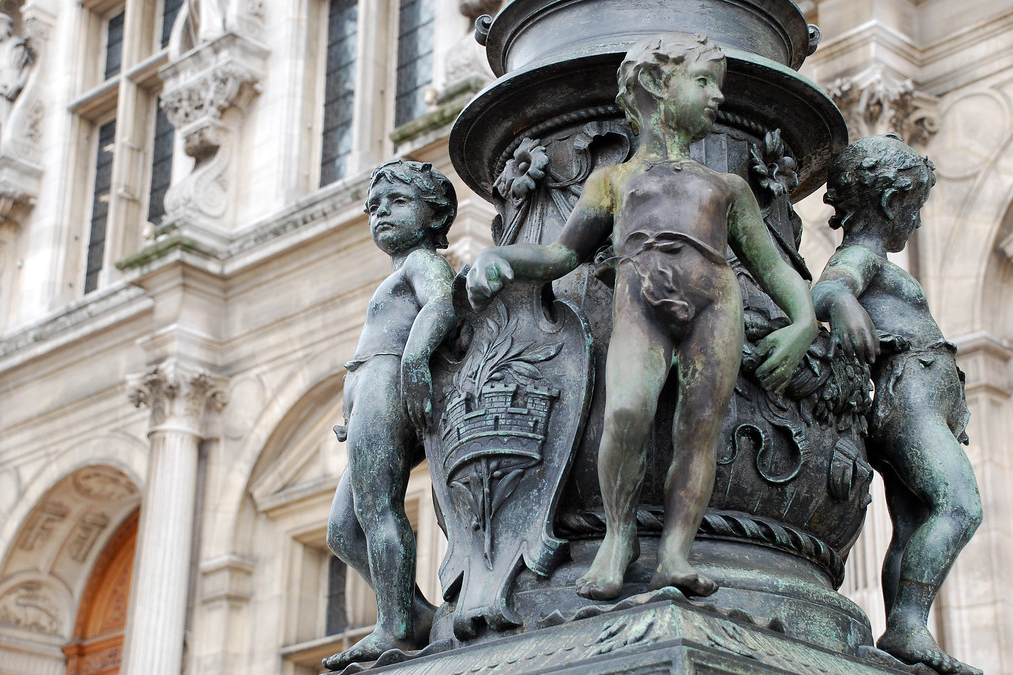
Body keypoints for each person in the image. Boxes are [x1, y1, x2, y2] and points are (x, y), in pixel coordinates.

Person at [467, 33, 817, 601]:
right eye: (703, 82)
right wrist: (499, 257)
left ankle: (675, 553)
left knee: (699, 428)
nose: (717, 97)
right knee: (626, 411)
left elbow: (773, 267)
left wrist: (803, 321)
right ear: (657, 84)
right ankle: (619, 535)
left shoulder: (727, 187)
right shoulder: (613, 180)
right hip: (640, 302)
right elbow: (561, 254)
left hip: (715, 306)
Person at [811, 135, 982, 675]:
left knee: (912, 525)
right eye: (915, 207)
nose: (919, 221)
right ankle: (908, 621)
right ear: (890, 203)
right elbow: (827, 289)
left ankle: (906, 628)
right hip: (909, 401)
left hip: (918, 401)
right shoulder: (863, 257)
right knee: (960, 507)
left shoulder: (881, 263)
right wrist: (842, 303)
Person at [323, 160, 457, 669]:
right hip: (368, 389)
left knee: (378, 508)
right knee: (342, 529)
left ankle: (395, 628)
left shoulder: (422, 262)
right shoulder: (398, 271)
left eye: (399, 202)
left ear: (434, 215)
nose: (382, 213)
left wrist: (416, 361)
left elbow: (440, 306)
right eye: (375, 206)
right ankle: (415, 613)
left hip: (388, 377)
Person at [0, 13, 33, 157]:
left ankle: (3, 153)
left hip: (7, 89)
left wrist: (18, 84)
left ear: (7, 28)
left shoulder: (15, 45)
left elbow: (26, 67)